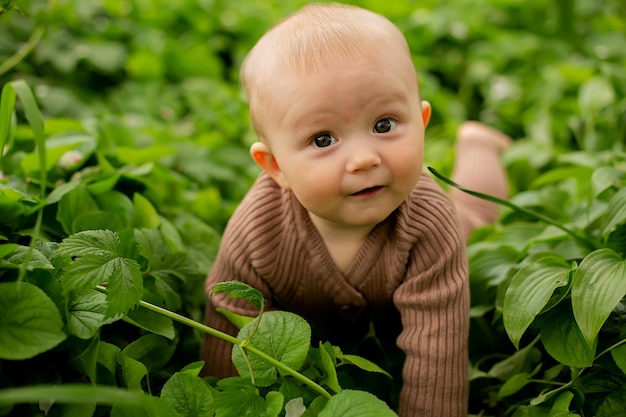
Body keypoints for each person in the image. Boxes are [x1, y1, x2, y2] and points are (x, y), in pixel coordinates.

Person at [201, 3, 511, 416]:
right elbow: (229, 323)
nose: (363, 158)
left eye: (384, 125)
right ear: (276, 167)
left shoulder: (428, 221)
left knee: (472, 214)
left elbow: (438, 347)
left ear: (420, 123)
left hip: (445, 232)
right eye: (323, 139)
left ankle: (478, 145)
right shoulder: (258, 230)